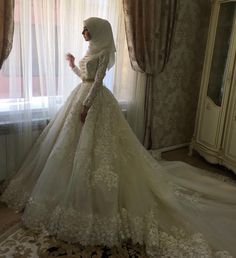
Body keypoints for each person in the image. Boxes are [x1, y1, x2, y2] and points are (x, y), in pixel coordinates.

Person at [1, 17, 236, 258]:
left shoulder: (104, 53)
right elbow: (85, 77)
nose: (83, 32)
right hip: (81, 96)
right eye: (84, 29)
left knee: (102, 151)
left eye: (87, 29)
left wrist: (86, 106)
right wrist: (72, 65)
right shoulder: (91, 50)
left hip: (94, 102)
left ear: (99, 31)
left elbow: (97, 82)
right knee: (69, 148)